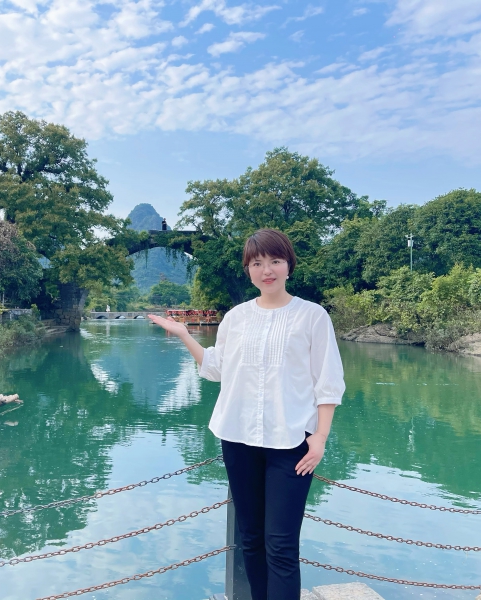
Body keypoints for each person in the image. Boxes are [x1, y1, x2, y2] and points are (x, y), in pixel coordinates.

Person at [148, 228, 345, 600]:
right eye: (257, 263)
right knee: (251, 539)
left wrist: (320, 436)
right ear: (248, 269)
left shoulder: (312, 316)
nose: (266, 270)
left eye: (274, 261)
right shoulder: (236, 318)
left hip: (292, 444)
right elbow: (218, 369)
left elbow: (328, 382)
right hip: (238, 440)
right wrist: (185, 334)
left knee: (281, 545)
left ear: (288, 265)